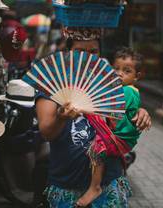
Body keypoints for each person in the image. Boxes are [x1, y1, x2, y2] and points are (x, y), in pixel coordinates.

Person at [36, 27, 151, 207]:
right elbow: (46, 132)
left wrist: (140, 111)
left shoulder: (108, 80)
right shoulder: (52, 83)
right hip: (67, 184)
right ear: (69, 53)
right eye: (80, 51)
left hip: (109, 182)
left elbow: (126, 102)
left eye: (93, 51)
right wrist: (61, 117)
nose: (88, 57)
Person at [76, 47, 143, 207]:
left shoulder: (127, 91)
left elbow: (108, 111)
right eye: (116, 69)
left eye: (127, 71)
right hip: (118, 136)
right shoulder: (121, 89)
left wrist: (83, 108)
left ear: (137, 76)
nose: (119, 73)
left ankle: (95, 187)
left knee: (96, 149)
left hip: (119, 138)